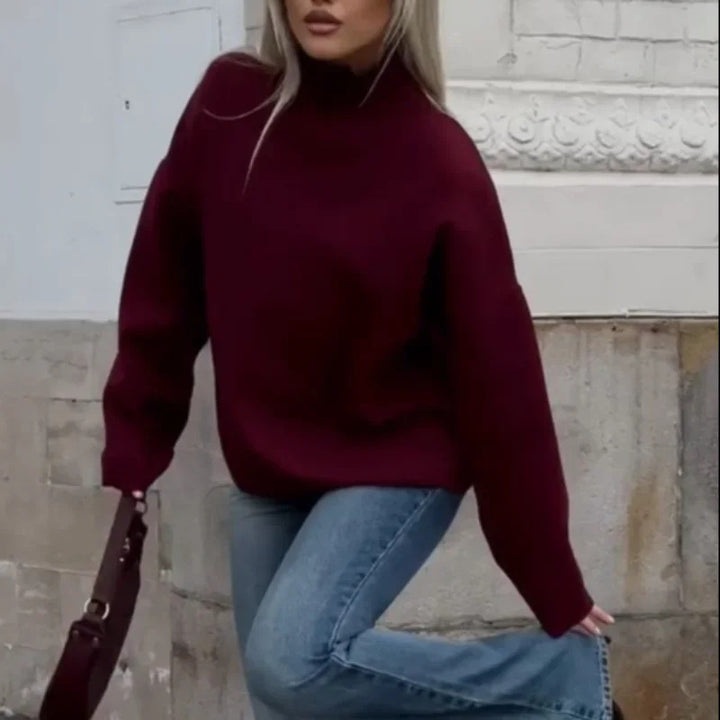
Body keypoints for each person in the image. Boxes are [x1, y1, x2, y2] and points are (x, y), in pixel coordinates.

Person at [101, 0, 624, 717]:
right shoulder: (230, 107)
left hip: (396, 460)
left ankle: (558, 681)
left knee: (291, 662)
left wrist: (548, 575)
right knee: (283, 702)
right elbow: (164, 286)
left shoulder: (436, 157)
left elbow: (501, 381)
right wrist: (136, 443)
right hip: (268, 467)